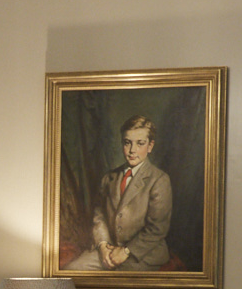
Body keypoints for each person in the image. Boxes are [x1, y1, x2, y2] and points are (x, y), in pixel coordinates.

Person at [66, 113, 174, 270]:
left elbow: (157, 229)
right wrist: (103, 245)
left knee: (122, 284)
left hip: (142, 254)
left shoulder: (159, 180)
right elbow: (99, 216)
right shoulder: (109, 177)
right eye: (127, 143)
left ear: (150, 146)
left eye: (140, 144)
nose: (132, 150)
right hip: (108, 250)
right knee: (73, 269)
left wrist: (126, 251)